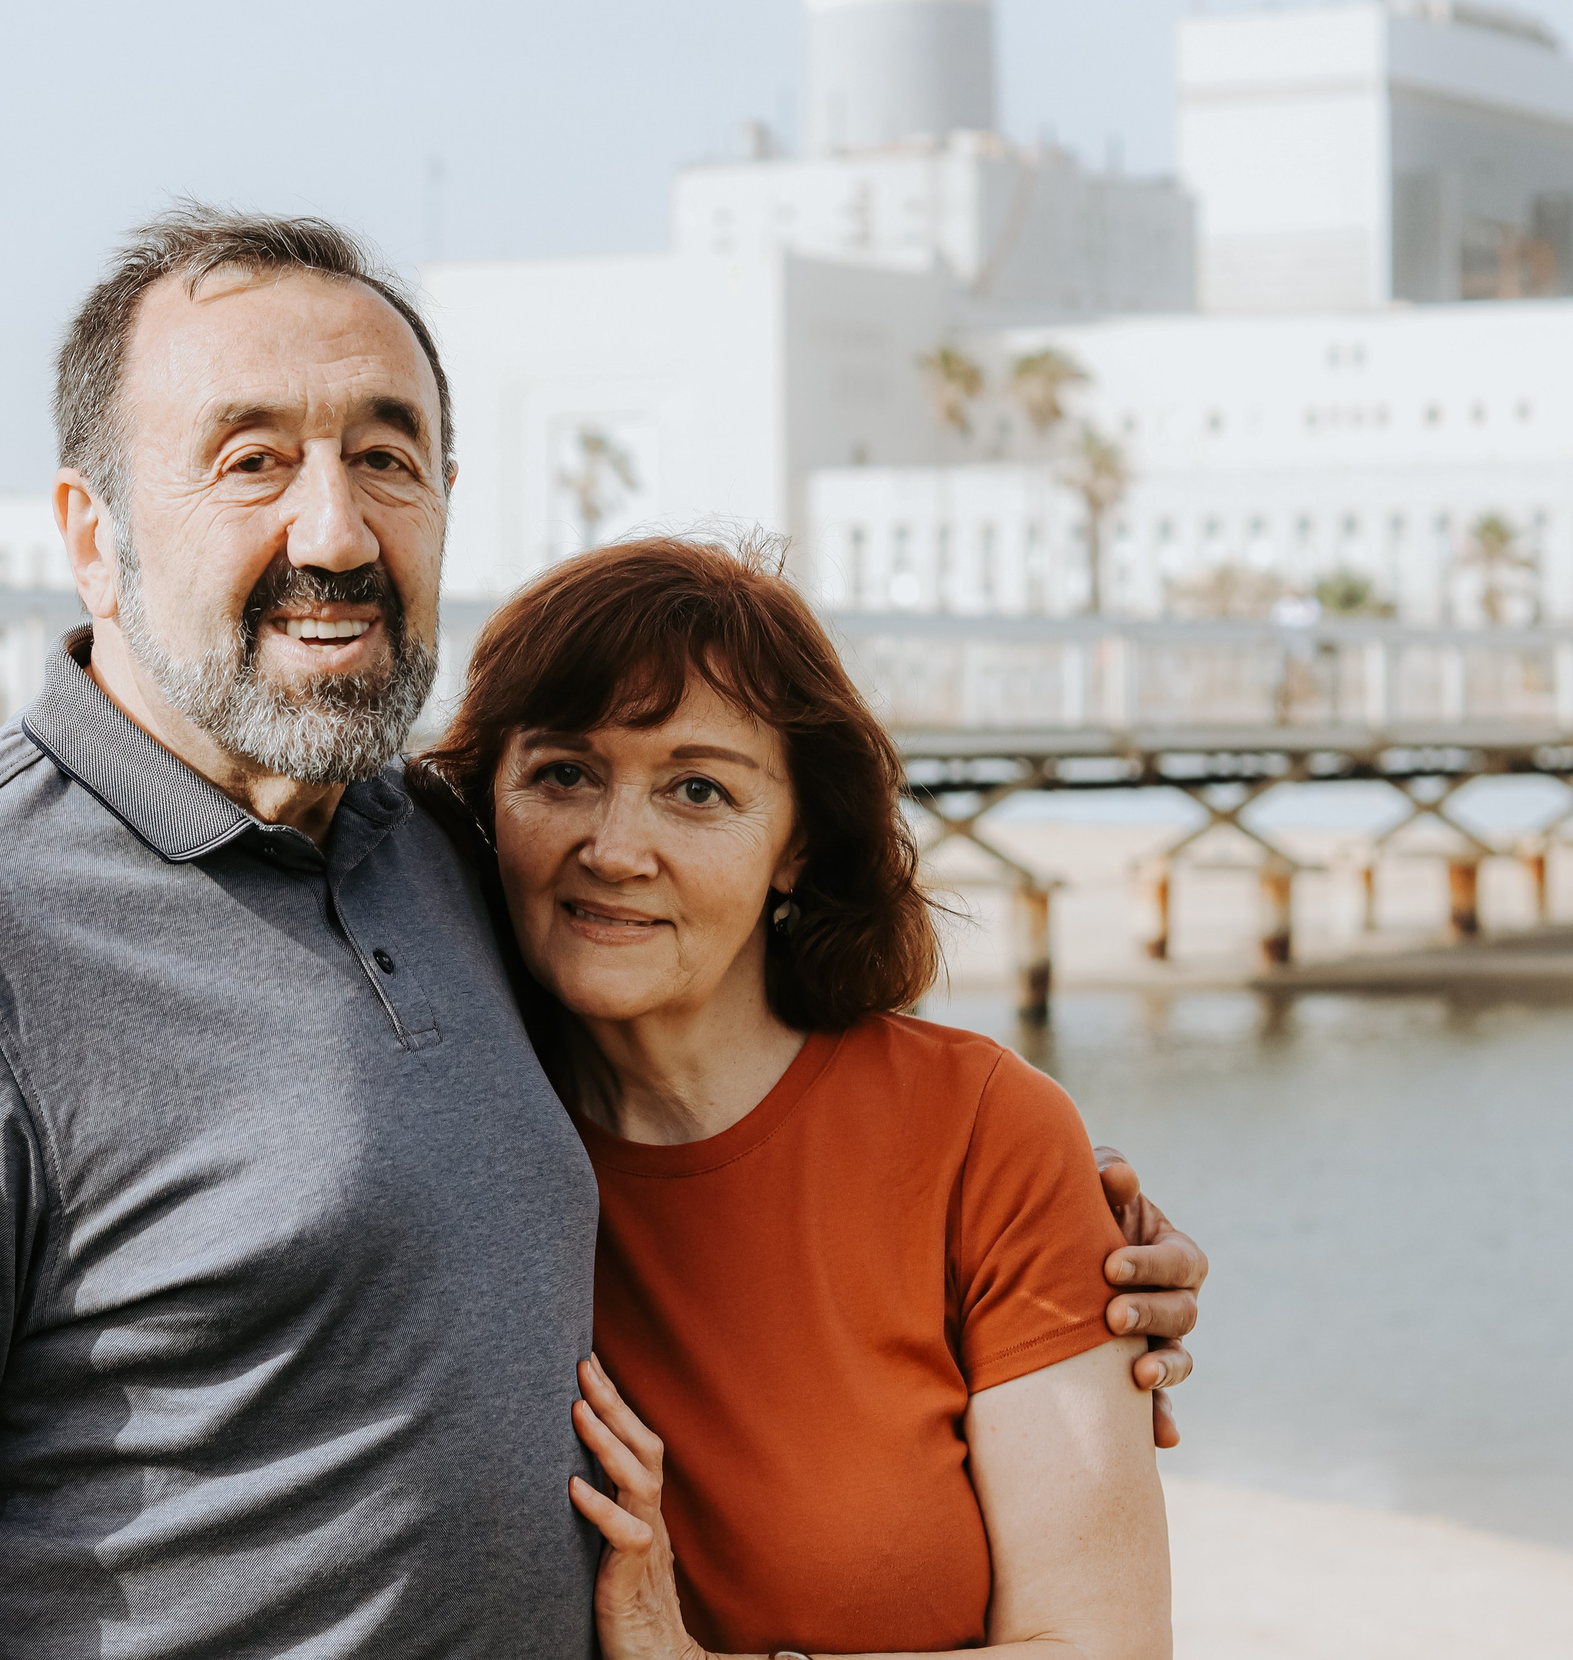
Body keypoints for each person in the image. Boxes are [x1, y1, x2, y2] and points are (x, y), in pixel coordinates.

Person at [0, 204, 1207, 1658]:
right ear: (90, 534)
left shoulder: (442, 850)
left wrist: (1066, 1233)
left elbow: (755, 1130)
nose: (336, 530)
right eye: (252, 461)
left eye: (387, 459)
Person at [417, 536, 1179, 1658]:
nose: (615, 849)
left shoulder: (984, 1134)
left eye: (698, 789)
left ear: (798, 843)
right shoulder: (430, 1134)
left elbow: (1101, 1645)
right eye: (564, 772)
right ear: (489, 801)